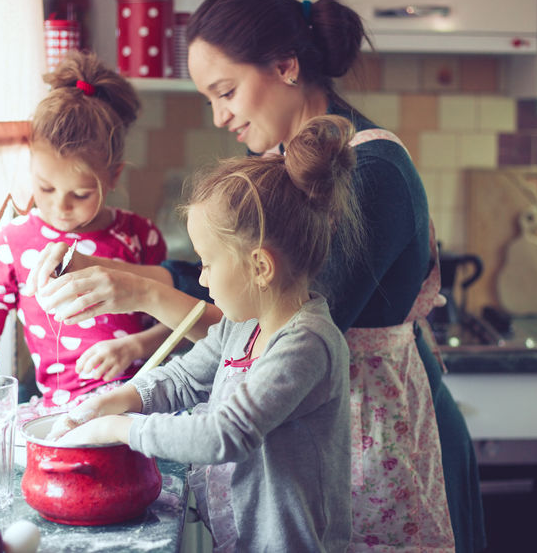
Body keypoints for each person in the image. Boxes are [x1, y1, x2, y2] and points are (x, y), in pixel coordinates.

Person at [27, 0, 485, 551]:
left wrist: (138, 293)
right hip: (305, 448)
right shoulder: (281, 166)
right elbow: (219, 278)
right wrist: (108, 268)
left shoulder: (371, 174)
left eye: (226, 91)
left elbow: (259, 327)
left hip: (374, 442)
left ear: (286, 66)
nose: (220, 116)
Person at [48, 115, 360, 552]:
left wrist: (120, 428)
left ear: (260, 266)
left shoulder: (306, 344)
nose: (202, 279)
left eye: (208, 263)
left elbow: (224, 435)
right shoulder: (242, 326)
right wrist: (113, 399)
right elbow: (181, 379)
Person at [0, 50, 169, 423]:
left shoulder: (140, 235)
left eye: (81, 194)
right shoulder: (10, 244)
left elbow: (176, 322)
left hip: (139, 407)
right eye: (45, 187)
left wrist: (134, 345)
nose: (61, 206)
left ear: (113, 176)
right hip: (62, 412)